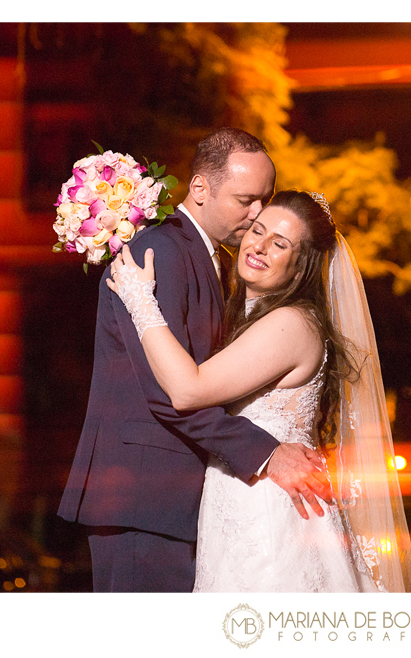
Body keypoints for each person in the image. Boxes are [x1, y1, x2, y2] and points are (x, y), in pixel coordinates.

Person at [57, 128, 332, 592]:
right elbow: (171, 392)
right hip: (142, 496)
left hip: (177, 503)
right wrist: (265, 452)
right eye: (247, 200)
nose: (258, 213)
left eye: (264, 200)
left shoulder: (217, 262)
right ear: (200, 188)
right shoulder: (157, 251)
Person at [107, 189, 411, 592]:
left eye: (280, 243)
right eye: (258, 230)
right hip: (239, 506)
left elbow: (187, 390)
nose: (260, 246)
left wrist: (140, 299)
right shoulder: (247, 314)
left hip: (272, 518)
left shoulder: (291, 324)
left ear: (300, 265)